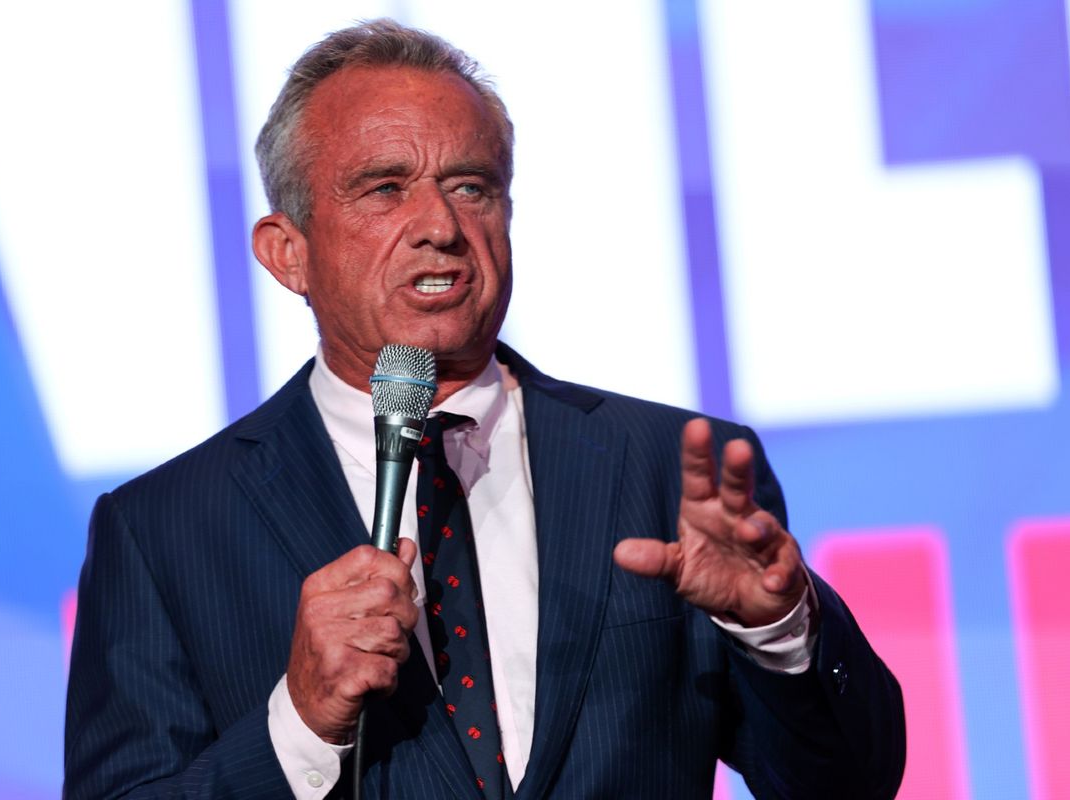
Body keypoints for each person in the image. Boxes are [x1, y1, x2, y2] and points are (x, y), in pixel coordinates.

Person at [65, 19, 905, 799]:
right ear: (288, 253)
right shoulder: (164, 531)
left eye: (472, 186)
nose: (440, 225)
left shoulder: (669, 471)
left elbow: (851, 784)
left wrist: (782, 633)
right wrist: (300, 724)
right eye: (384, 189)